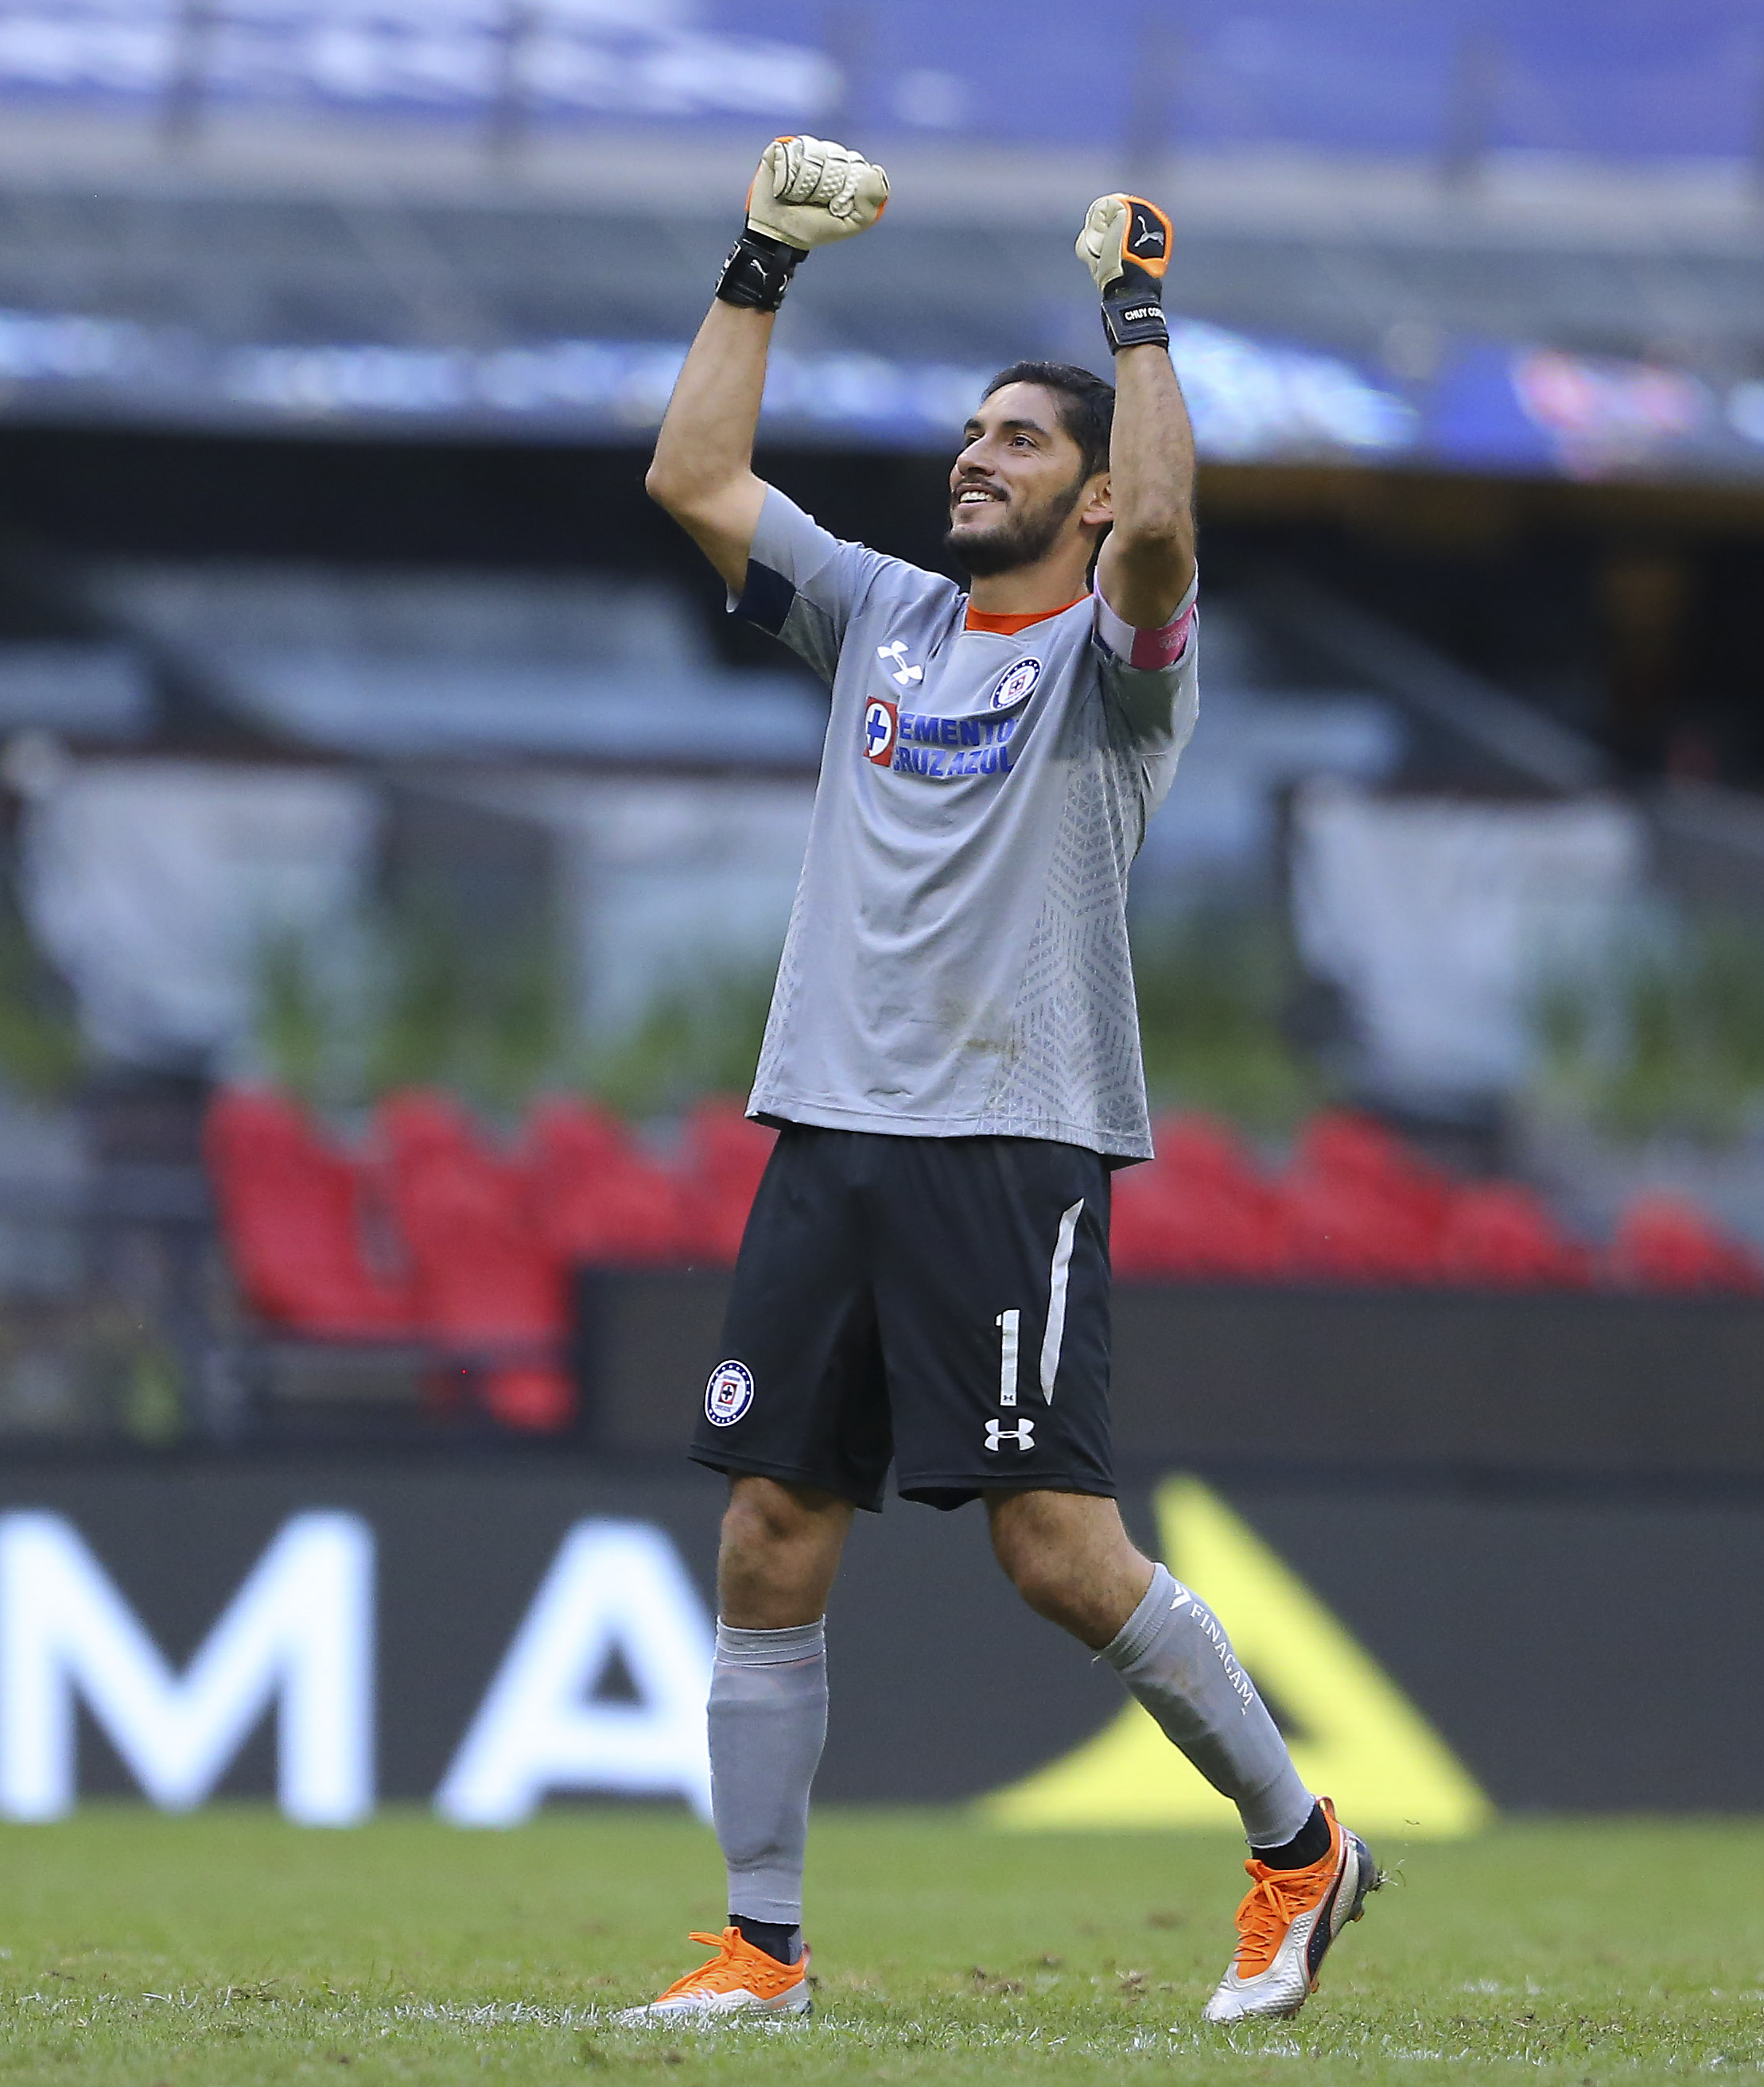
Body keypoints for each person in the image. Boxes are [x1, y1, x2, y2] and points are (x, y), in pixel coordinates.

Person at [626, 139, 1372, 2027]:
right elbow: (694, 475)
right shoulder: (880, 613)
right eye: (968, 437)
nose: (973, 458)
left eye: (1015, 444)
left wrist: (1134, 318)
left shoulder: (1120, 666)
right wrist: (758, 263)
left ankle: (1296, 1839)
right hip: (832, 1128)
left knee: (1055, 1549)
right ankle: (759, 1947)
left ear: (1094, 486)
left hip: (1011, 1142)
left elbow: (1169, 536)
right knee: (768, 1526)